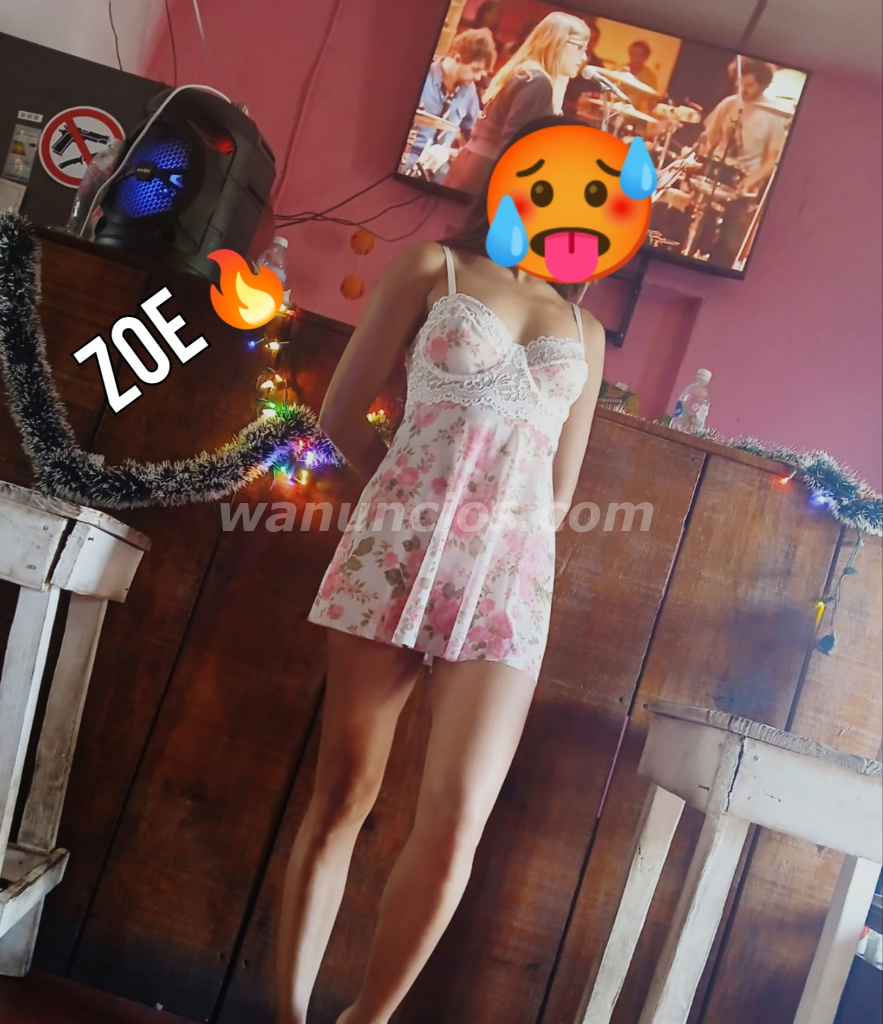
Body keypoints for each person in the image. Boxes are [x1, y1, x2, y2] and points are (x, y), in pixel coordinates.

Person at [274, 116, 606, 1024]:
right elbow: (341, 417)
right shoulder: (432, 268)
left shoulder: (586, 329)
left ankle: (367, 1020)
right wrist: (406, 502)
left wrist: (496, 539)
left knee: (457, 821)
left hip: (507, 586)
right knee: (344, 794)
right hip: (393, 556)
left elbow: (560, 488)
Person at [441, 11, 590, 195]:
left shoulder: (527, 73)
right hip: (484, 177)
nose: (584, 58)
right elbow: (516, 144)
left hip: (473, 166)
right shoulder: (537, 81)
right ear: (557, 43)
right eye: (580, 47)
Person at [695, 58, 785, 264]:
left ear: (763, 85)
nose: (742, 89)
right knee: (692, 232)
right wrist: (698, 159)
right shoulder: (729, 104)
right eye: (740, 83)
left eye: (749, 85)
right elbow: (708, 140)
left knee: (726, 249)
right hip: (713, 177)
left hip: (743, 188)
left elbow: (772, 161)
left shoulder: (775, 115)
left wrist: (750, 182)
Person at [402, 29, 497, 183]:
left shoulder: (469, 90)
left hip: (442, 168)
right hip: (410, 159)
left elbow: (472, 132)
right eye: (475, 70)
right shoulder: (421, 77)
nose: (478, 77)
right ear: (457, 59)